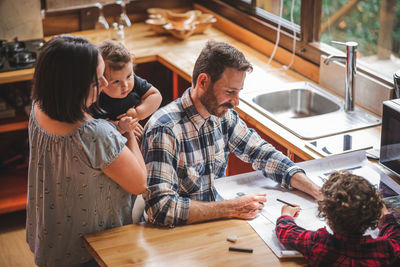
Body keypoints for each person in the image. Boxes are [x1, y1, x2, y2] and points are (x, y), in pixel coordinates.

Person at [141, 40, 320, 227]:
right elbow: (160, 208)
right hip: (176, 236)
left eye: (238, 92)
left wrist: (317, 191)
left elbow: (264, 154)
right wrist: (231, 208)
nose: (236, 101)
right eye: (229, 91)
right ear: (203, 81)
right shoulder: (165, 130)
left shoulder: (223, 117)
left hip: (214, 225)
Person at [26, 35, 147, 267]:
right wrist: (129, 131)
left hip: (51, 237)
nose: (104, 84)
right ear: (75, 86)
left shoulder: (39, 106)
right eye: (97, 80)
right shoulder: (94, 134)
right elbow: (139, 183)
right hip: (89, 250)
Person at [276, 171, 400, 266]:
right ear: (373, 214)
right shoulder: (384, 249)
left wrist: (286, 216)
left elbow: (287, 232)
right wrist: (385, 215)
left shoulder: (320, 245)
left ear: (327, 215)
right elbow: (396, 237)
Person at [90, 40, 162, 137]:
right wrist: (119, 126)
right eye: (116, 81)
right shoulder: (95, 98)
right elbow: (94, 127)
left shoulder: (134, 81)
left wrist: (137, 113)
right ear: (100, 80)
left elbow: (156, 96)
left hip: (141, 132)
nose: (125, 85)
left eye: (129, 76)